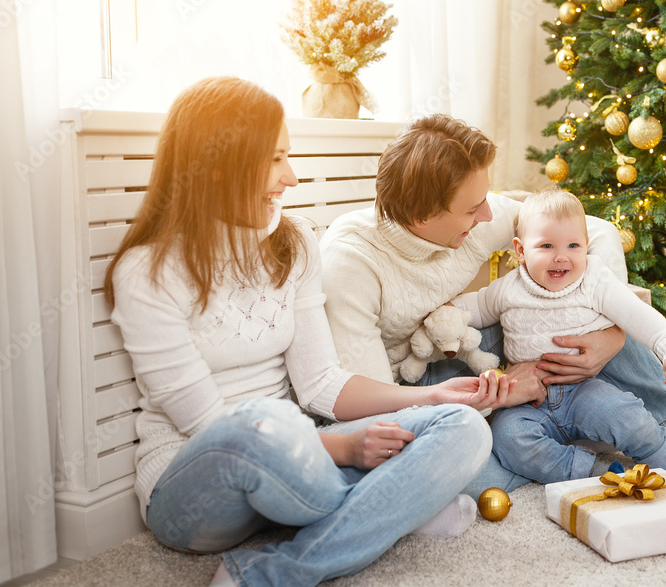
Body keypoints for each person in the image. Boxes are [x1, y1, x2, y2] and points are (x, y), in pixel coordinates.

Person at [104, 77, 508, 587]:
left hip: (298, 460)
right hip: (196, 484)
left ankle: (280, 569)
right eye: (275, 159)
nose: (290, 178)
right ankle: (385, 510)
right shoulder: (146, 273)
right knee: (260, 423)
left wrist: (431, 397)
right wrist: (343, 450)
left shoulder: (293, 245)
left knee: (462, 427)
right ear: (217, 166)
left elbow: (319, 383)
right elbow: (209, 426)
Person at [320, 113, 666, 497]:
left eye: (486, 201)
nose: (488, 216)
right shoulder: (351, 262)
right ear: (424, 215)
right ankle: (592, 464)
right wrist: (503, 382)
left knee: (568, 293)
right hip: (426, 375)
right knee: (479, 469)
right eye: (472, 209)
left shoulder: (480, 214)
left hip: (497, 344)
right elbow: (371, 408)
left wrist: (608, 337)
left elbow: (598, 232)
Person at [448, 189, 666, 484]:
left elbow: (637, 315)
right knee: (509, 439)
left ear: (586, 247)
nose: (561, 257)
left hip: (583, 390)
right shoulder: (507, 288)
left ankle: (665, 461)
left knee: (626, 414)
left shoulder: (594, 279)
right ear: (520, 250)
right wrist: (444, 313)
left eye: (573, 245)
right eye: (546, 246)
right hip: (526, 402)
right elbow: (474, 307)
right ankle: (589, 471)